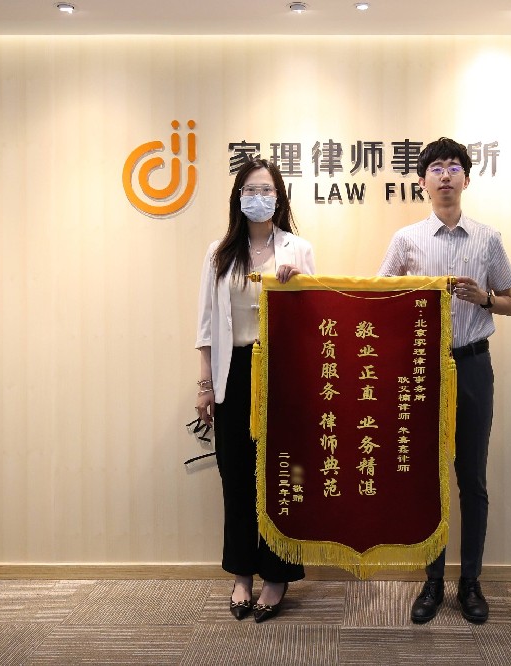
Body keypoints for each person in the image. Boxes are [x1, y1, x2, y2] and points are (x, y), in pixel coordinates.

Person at [378, 137, 511, 625]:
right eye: (435, 168)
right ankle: (433, 581)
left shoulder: (488, 238)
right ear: (422, 181)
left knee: (472, 477)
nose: (445, 175)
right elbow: (381, 297)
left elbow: (510, 303)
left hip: (474, 365)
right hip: (425, 369)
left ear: (466, 179)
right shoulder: (406, 240)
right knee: (429, 478)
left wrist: (484, 298)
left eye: (454, 167)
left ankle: (471, 582)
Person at [195, 158, 315, 623]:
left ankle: (277, 577)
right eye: (250, 189)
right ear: (238, 197)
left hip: (281, 375)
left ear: (279, 198)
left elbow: (314, 317)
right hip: (233, 373)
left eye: (266, 190)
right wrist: (205, 384)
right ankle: (242, 575)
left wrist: (296, 286)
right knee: (238, 477)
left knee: (281, 476)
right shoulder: (219, 253)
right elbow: (207, 325)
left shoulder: (298, 249)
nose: (258, 197)